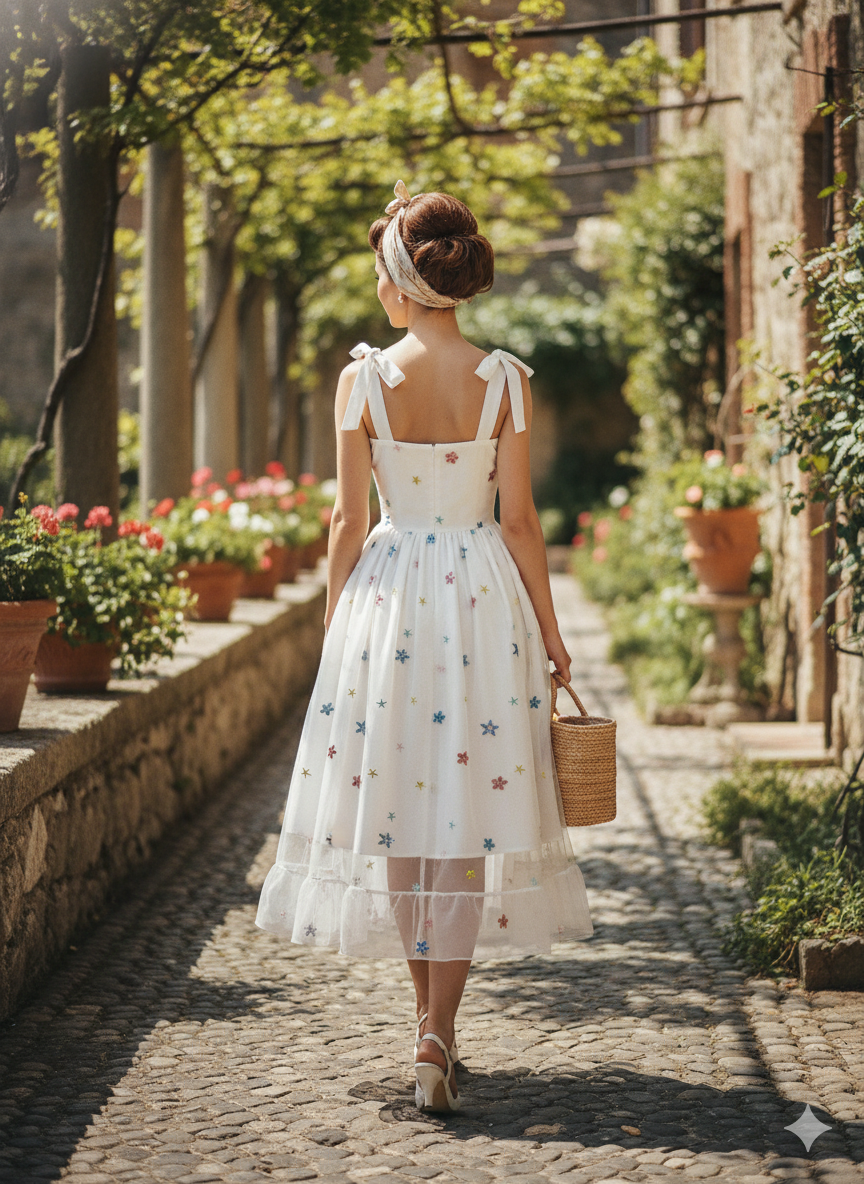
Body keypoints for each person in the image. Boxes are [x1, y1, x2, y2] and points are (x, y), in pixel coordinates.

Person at [256, 181, 593, 1113]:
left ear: (401, 283)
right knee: (469, 817)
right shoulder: (507, 381)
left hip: (390, 602)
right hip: (483, 600)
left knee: (403, 814)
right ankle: (441, 1028)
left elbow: (344, 520)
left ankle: (422, 1034)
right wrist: (553, 636)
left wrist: (335, 628)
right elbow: (520, 522)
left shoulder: (361, 380)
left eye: (379, 271)